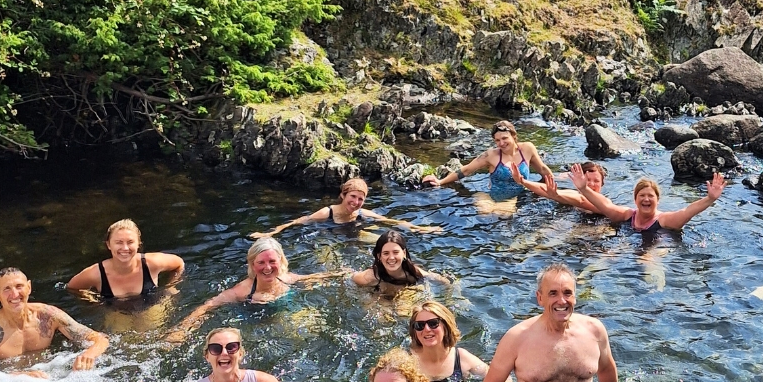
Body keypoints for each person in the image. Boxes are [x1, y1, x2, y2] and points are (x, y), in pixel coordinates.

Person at [480, 264, 617, 382]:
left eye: (567, 293)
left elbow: (606, 369)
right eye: (553, 293)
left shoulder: (594, 331)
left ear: (575, 297)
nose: (562, 300)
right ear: (540, 298)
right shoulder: (517, 338)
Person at [165, 238, 336, 342]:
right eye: (261, 262)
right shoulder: (242, 291)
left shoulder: (285, 278)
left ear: (281, 261)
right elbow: (208, 306)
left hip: (283, 321)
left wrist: (344, 275)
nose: (267, 268)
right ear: (252, 265)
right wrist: (181, 330)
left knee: (315, 323)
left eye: (272, 261)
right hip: (255, 328)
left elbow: (312, 277)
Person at [0, 267, 109, 376]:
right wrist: (19, 377)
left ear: (29, 287)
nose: (15, 294)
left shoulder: (48, 315)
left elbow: (99, 339)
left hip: (49, 379)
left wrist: (89, 354)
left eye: (19, 286)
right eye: (7, 289)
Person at [249, 178, 441, 239]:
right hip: (330, 237)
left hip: (355, 235)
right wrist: (271, 233)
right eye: (353, 197)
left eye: (360, 199)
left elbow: (391, 222)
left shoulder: (361, 213)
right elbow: (299, 221)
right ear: (343, 195)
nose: (356, 202)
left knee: (386, 244)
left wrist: (420, 229)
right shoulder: (327, 212)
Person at [183, 327, 317, 382]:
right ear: (207, 356)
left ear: (240, 354)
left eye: (231, 347)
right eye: (216, 348)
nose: (224, 353)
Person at [567, 165, 727, 234]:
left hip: (657, 249)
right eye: (642, 196)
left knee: (648, 259)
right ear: (635, 199)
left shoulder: (665, 221)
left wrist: (709, 199)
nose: (646, 199)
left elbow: (687, 212)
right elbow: (604, 204)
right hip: (628, 248)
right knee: (608, 255)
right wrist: (583, 188)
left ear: (657, 200)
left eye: (650, 196)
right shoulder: (627, 215)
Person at [421, 121, 551, 200]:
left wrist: (547, 190)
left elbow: (543, 170)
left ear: (514, 136)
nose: (501, 143)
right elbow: (466, 170)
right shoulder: (491, 155)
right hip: (497, 198)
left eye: (504, 138)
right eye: (497, 140)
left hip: (522, 197)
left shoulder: (527, 149)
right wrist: (440, 182)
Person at [66, 219, 184, 303]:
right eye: (119, 242)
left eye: (130, 242)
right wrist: (92, 301)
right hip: (117, 312)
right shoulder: (96, 273)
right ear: (108, 245)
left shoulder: (152, 263)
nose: (125, 248)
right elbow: (72, 288)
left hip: (151, 307)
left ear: (138, 244)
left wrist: (171, 287)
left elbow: (179, 264)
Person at [351, 230, 450, 292]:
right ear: (379, 256)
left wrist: (451, 296)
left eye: (395, 252)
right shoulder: (370, 276)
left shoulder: (412, 273)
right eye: (386, 253)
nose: (391, 257)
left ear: (404, 253)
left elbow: (443, 281)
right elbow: (350, 278)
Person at [510, 161, 612, 214]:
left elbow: (581, 201)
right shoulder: (575, 194)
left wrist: (557, 196)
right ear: (578, 180)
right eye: (587, 180)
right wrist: (523, 181)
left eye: (596, 181)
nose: (591, 184)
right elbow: (546, 189)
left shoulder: (605, 202)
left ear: (602, 183)